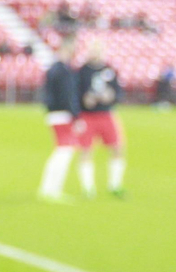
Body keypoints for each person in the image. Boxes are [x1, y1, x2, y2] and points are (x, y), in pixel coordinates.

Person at [76, 40, 127, 198]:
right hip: (87, 116)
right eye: (93, 50)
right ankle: (88, 188)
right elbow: (75, 94)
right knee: (86, 150)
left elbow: (118, 92)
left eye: (98, 50)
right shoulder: (82, 71)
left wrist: (111, 96)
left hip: (106, 114)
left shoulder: (109, 70)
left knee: (117, 148)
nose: (96, 53)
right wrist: (84, 100)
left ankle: (115, 185)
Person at [38, 36, 81, 202]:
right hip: (62, 114)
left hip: (54, 113)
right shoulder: (63, 71)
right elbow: (67, 95)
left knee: (61, 151)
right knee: (64, 151)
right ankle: (52, 189)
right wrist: (75, 115)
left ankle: (48, 187)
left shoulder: (54, 69)